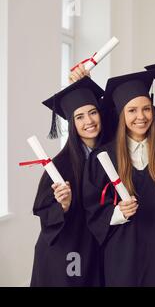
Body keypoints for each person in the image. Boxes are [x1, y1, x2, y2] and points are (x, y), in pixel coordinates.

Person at [82, 71, 155, 286]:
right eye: (132, 110)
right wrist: (117, 213)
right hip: (122, 255)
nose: (141, 117)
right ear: (121, 115)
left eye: (146, 109)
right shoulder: (104, 157)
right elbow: (91, 207)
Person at [31, 77, 105, 286]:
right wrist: (62, 205)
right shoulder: (60, 165)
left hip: (95, 247)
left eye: (93, 112)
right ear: (72, 123)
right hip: (65, 251)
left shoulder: (111, 155)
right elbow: (43, 210)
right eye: (79, 117)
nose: (89, 121)